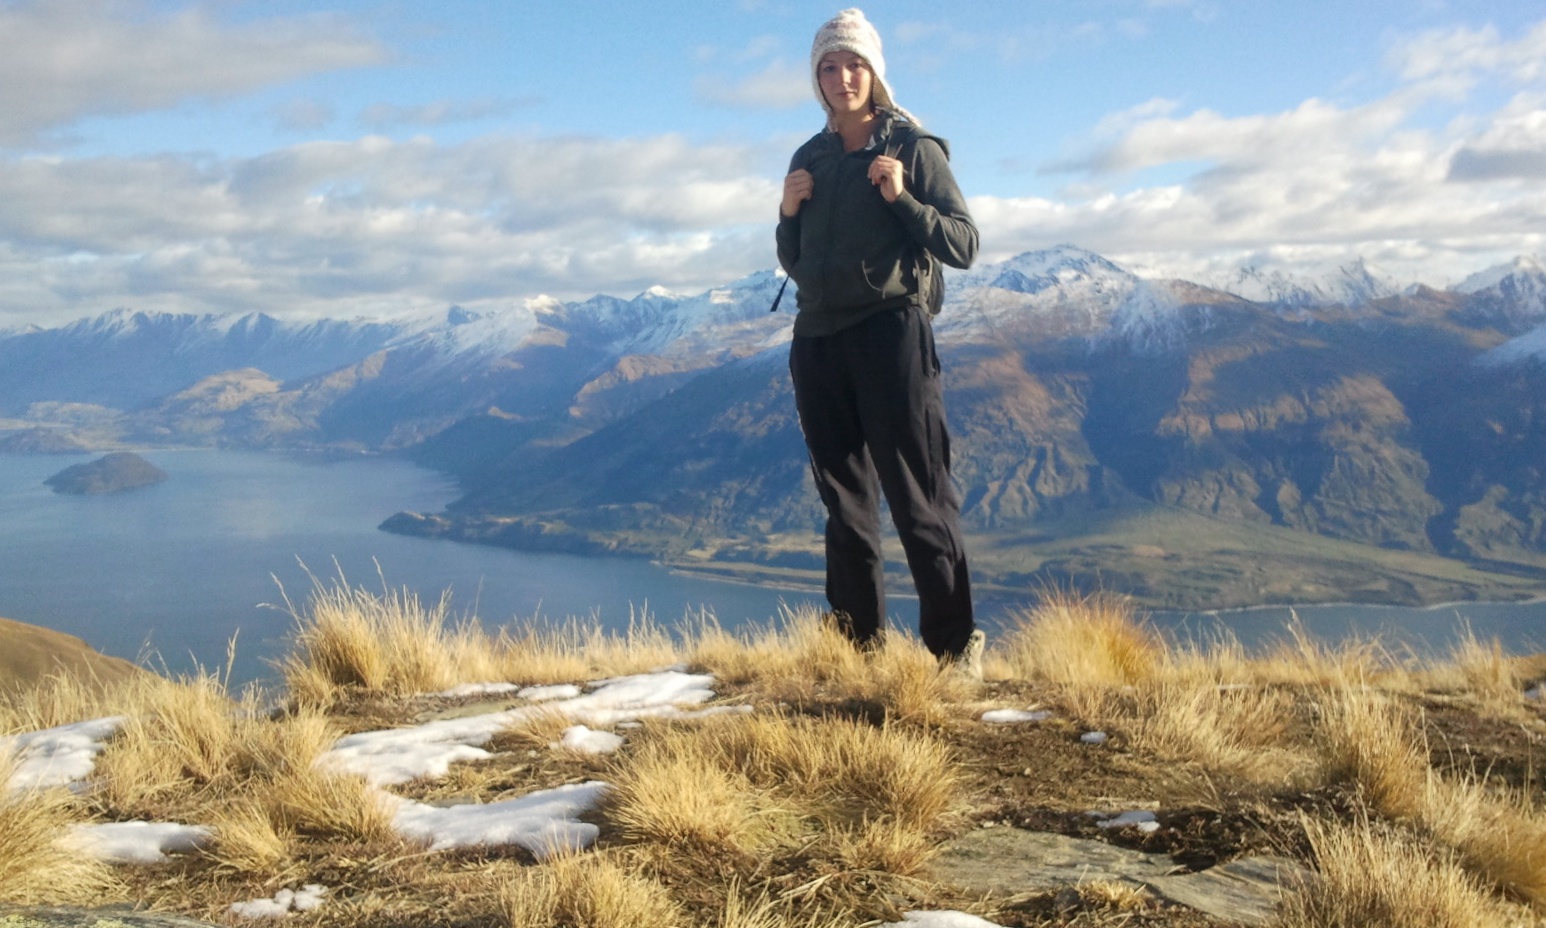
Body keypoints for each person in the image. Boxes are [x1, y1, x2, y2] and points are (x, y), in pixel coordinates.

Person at [775, 8, 983, 678]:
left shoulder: (913, 148)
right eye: (829, 67)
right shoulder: (809, 157)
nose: (842, 78)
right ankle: (856, 649)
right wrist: (787, 213)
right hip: (817, 339)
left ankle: (954, 650)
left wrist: (902, 199)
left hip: (892, 334)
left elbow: (964, 245)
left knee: (919, 494)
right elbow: (796, 260)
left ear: (875, 71)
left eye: (854, 64)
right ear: (816, 78)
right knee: (845, 503)